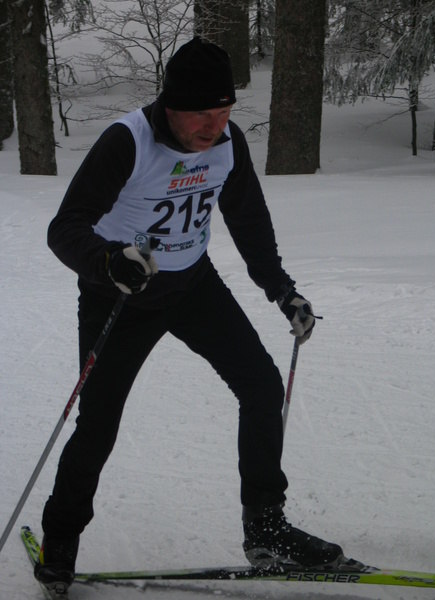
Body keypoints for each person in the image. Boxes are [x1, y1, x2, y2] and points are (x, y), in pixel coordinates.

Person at [35, 37, 345, 593]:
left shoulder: (227, 144)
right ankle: (60, 538)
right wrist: (108, 261)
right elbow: (65, 228)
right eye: (202, 113)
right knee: (98, 423)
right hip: (121, 296)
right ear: (171, 105)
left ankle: (266, 526)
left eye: (224, 112)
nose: (214, 126)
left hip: (193, 286)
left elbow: (248, 221)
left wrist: (281, 290)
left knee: (261, 385)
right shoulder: (127, 141)